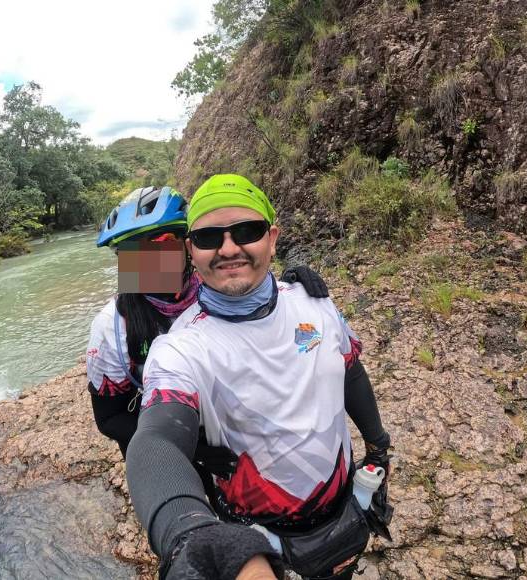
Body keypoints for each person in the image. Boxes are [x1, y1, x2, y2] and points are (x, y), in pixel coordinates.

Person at [125, 175, 392, 580]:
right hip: (256, 538)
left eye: (246, 232)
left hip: (343, 510)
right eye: (209, 237)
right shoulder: (179, 348)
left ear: (272, 238)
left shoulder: (315, 304)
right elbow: (156, 438)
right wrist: (186, 533)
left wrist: (379, 445)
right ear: (191, 250)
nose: (229, 248)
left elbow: (349, 372)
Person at [86, 185, 329, 476]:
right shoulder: (113, 326)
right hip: (162, 444)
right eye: (131, 251)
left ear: (187, 247)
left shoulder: (215, 285)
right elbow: (109, 419)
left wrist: (291, 283)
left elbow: (257, 296)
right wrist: (193, 447)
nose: (148, 259)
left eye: (161, 243)